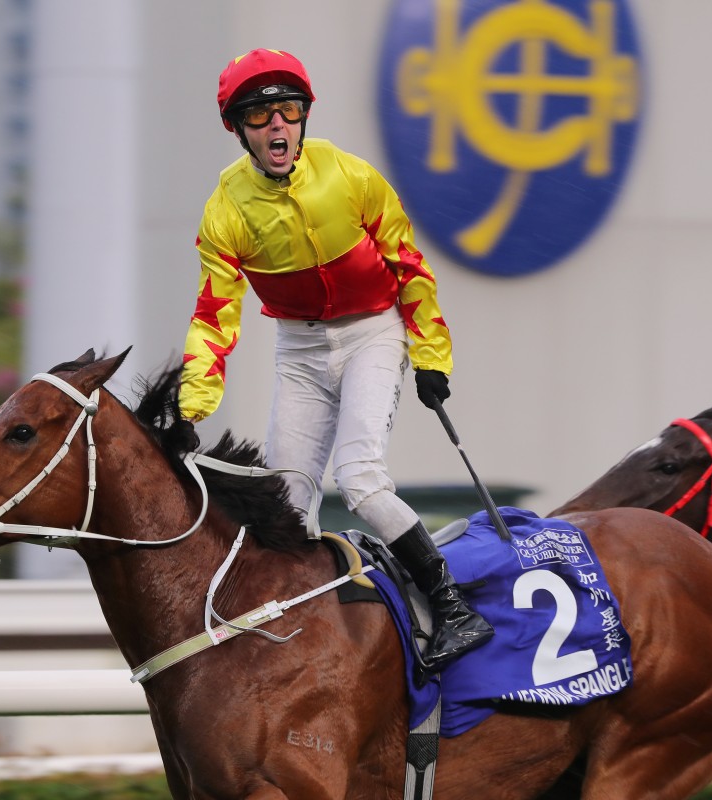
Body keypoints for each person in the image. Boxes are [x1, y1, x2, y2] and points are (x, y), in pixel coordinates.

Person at [178, 48, 493, 670]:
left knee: (360, 478)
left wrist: (431, 355)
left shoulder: (351, 176)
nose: (278, 126)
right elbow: (214, 315)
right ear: (238, 128)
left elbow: (408, 266)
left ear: (303, 117)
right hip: (299, 350)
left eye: (289, 110)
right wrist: (193, 405)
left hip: (373, 333)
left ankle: (453, 607)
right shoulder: (226, 210)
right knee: (287, 501)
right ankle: (308, 635)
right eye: (260, 115)